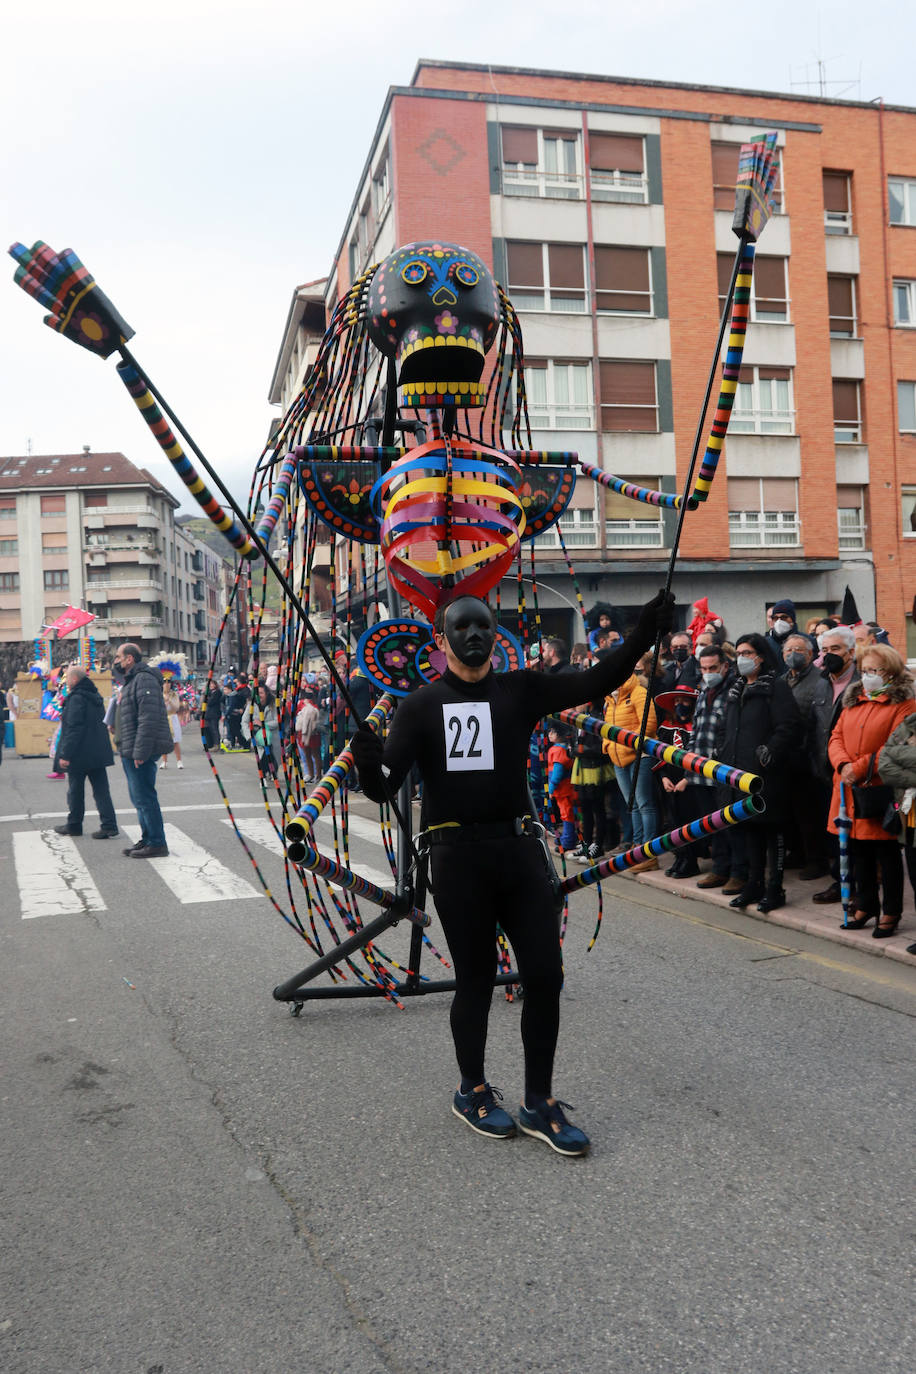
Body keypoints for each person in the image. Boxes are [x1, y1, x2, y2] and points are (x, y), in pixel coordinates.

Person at [351, 589, 674, 1156]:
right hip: (457, 861)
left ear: (495, 635)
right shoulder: (420, 705)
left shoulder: (520, 690)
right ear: (441, 640)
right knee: (475, 980)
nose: (474, 636)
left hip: (520, 853)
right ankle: (472, 1089)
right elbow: (384, 787)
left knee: (545, 976)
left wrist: (643, 632)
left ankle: (539, 1102)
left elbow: (596, 682)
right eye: (462, 628)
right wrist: (365, 759)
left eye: (484, 627)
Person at [828, 644, 914, 937]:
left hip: (880, 789)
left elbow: (896, 745)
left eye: (875, 671)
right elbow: (836, 735)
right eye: (865, 671)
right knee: (857, 849)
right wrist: (842, 766)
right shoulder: (853, 699)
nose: (868, 677)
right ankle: (865, 904)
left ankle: (890, 911)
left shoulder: (903, 704)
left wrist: (860, 767)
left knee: (886, 853)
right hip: (849, 787)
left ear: (890, 672)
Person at [717, 633, 802, 912]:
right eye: (738, 653)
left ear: (761, 656)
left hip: (766, 774)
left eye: (748, 653)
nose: (742, 658)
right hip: (737, 773)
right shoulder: (736, 688)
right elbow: (726, 727)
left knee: (771, 832)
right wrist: (721, 751)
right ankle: (753, 885)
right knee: (749, 831)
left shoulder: (775, 688)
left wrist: (770, 751)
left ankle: (774, 888)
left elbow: (788, 726)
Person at [811, 625, 861, 904]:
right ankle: (839, 880)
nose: (830, 655)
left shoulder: (862, 682)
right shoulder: (822, 682)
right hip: (824, 769)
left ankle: (857, 887)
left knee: (854, 833)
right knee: (832, 831)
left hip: (852, 771)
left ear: (851, 652)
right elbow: (814, 725)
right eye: (825, 650)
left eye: (836, 649)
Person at [112, 642, 174, 858]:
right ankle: (148, 838)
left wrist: (141, 751)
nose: (116, 661)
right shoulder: (132, 680)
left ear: (130, 658)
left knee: (145, 797)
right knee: (138, 798)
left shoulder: (143, 679)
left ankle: (157, 843)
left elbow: (148, 718)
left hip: (140, 749)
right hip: (130, 747)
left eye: (119, 656)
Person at [690, 643, 743, 893]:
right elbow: (696, 728)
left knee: (730, 825)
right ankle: (720, 868)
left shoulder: (734, 690)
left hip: (723, 770)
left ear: (724, 666)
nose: (708, 672)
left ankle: (738, 872)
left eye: (713, 667)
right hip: (700, 770)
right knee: (712, 825)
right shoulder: (703, 691)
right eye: (703, 668)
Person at [602, 654, 659, 874]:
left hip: (639, 757)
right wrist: (608, 745)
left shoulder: (639, 692)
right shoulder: (610, 698)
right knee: (632, 804)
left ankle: (648, 852)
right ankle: (636, 848)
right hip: (618, 758)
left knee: (644, 803)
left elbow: (650, 724)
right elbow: (607, 727)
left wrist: (628, 746)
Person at [782, 632, 833, 879]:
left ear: (811, 654)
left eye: (799, 650)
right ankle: (798, 853)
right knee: (791, 811)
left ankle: (816, 859)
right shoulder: (782, 680)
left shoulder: (820, 680)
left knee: (809, 813)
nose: (793, 655)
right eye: (789, 651)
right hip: (787, 757)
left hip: (809, 756)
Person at [53, 665, 119, 839]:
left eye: (67, 677)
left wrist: (66, 754)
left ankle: (74, 825)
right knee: (101, 790)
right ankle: (109, 825)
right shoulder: (94, 695)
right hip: (97, 751)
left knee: (75, 790)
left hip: (80, 753)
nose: (66, 680)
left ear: (75, 679)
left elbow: (74, 727)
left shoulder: (76, 698)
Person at [877, 711, 916, 953]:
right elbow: (884, 764)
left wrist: (900, 754)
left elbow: (892, 755)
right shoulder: (909, 724)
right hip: (909, 818)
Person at [546, 723, 578, 853]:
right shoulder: (564, 748)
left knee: (566, 814)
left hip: (562, 789)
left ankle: (568, 840)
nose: (550, 734)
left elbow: (558, 772)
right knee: (568, 813)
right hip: (566, 787)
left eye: (553, 732)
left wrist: (551, 788)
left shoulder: (557, 750)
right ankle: (567, 836)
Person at [160, 681, 184, 769]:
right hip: (163, 718)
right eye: (165, 682)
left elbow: (176, 707)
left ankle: (179, 761)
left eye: (168, 682)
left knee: (175, 741)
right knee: (163, 741)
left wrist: (169, 701)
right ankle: (164, 761)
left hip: (172, 717)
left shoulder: (174, 694)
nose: (167, 684)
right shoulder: (159, 694)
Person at [225, 673, 251, 749]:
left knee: (238, 730)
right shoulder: (240, 690)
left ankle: (245, 744)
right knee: (235, 729)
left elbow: (247, 701)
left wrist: (243, 709)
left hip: (240, 713)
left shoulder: (245, 690)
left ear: (239, 682)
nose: (235, 684)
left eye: (236, 682)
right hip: (236, 712)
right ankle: (240, 743)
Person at [202, 677, 224, 751]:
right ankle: (212, 744)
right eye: (209, 684)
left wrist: (208, 699)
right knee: (210, 729)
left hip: (214, 713)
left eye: (212, 684)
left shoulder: (217, 692)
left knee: (215, 729)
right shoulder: (210, 692)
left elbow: (210, 702)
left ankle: (217, 744)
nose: (211, 685)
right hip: (209, 714)